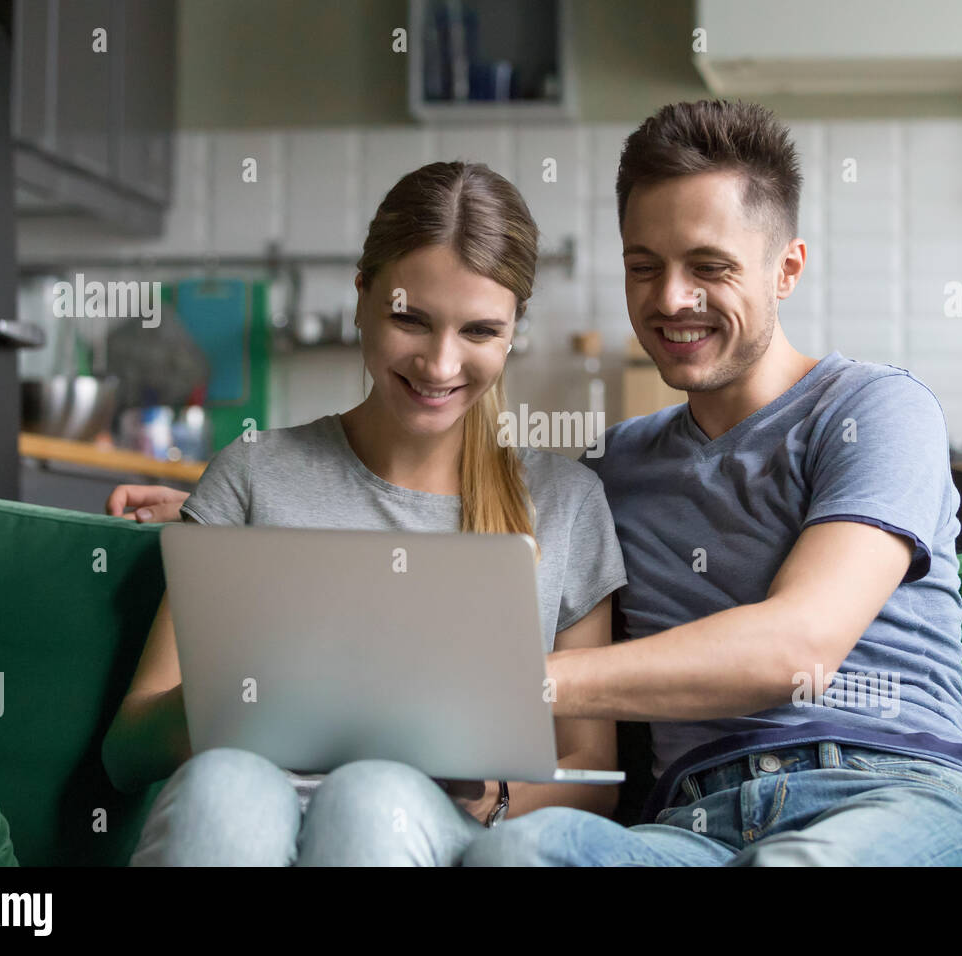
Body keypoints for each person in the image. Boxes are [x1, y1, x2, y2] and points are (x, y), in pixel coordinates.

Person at [115, 98, 962, 868]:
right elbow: (430, 493)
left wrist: (486, 686)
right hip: (692, 827)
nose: (671, 299)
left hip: (886, 787)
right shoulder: (612, 474)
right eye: (644, 266)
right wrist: (207, 540)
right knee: (515, 856)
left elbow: (797, 649)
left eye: (709, 267)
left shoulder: (877, 409)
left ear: (787, 269)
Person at [101, 160, 627, 866]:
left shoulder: (565, 504)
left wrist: (491, 795)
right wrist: (243, 695)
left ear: (512, 332)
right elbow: (128, 748)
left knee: (371, 796)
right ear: (362, 296)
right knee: (225, 786)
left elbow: (589, 770)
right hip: (242, 813)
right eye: (410, 319)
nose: (440, 365)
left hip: (422, 834)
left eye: (479, 332)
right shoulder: (254, 475)